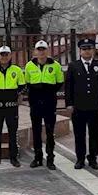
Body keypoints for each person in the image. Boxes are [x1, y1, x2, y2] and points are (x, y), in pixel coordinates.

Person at [65, 38, 98, 170]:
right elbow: (69, 87)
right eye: (84, 49)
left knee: (94, 133)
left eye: (89, 49)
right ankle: (80, 158)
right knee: (79, 134)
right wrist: (69, 104)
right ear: (80, 51)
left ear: (93, 50)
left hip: (95, 106)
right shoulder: (73, 66)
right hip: (79, 106)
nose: (86, 51)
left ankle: (93, 158)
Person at [24, 40, 64, 170]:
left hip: (49, 103)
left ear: (47, 50)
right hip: (35, 103)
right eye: (39, 49)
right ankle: (38, 158)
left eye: (43, 49)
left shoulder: (55, 65)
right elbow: (28, 83)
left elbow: (59, 82)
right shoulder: (29, 66)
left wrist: (48, 93)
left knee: (50, 131)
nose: (41, 52)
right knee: (36, 131)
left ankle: (50, 158)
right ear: (35, 51)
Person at [0, 46, 26, 167]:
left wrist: (15, 95)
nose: (4, 57)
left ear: (10, 56)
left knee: (13, 133)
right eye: (2, 54)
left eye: (6, 54)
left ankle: (13, 157)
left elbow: (22, 86)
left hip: (11, 107)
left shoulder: (17, 70)